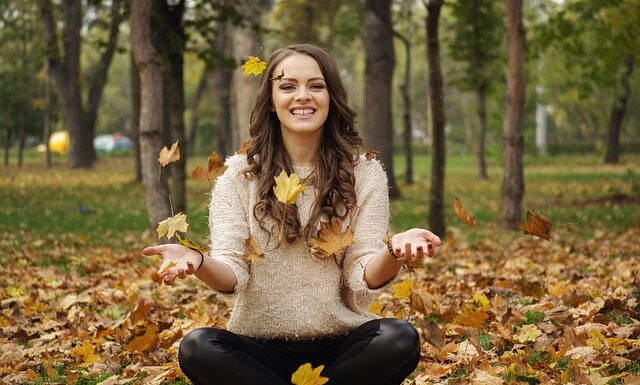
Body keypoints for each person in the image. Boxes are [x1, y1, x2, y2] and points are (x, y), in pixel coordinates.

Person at [142, 43, 441, 385]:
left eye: (316, 85)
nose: (303, 96)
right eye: (287, 86)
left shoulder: (365, 174)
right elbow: (231, 272)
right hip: (258, 352)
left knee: (399, 338)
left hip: (341, 350)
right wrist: (197, 260)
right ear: (271, 100)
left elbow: (363, 272)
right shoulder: (238, 177)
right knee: (197, 347)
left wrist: (394, 251)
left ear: (331, 96)